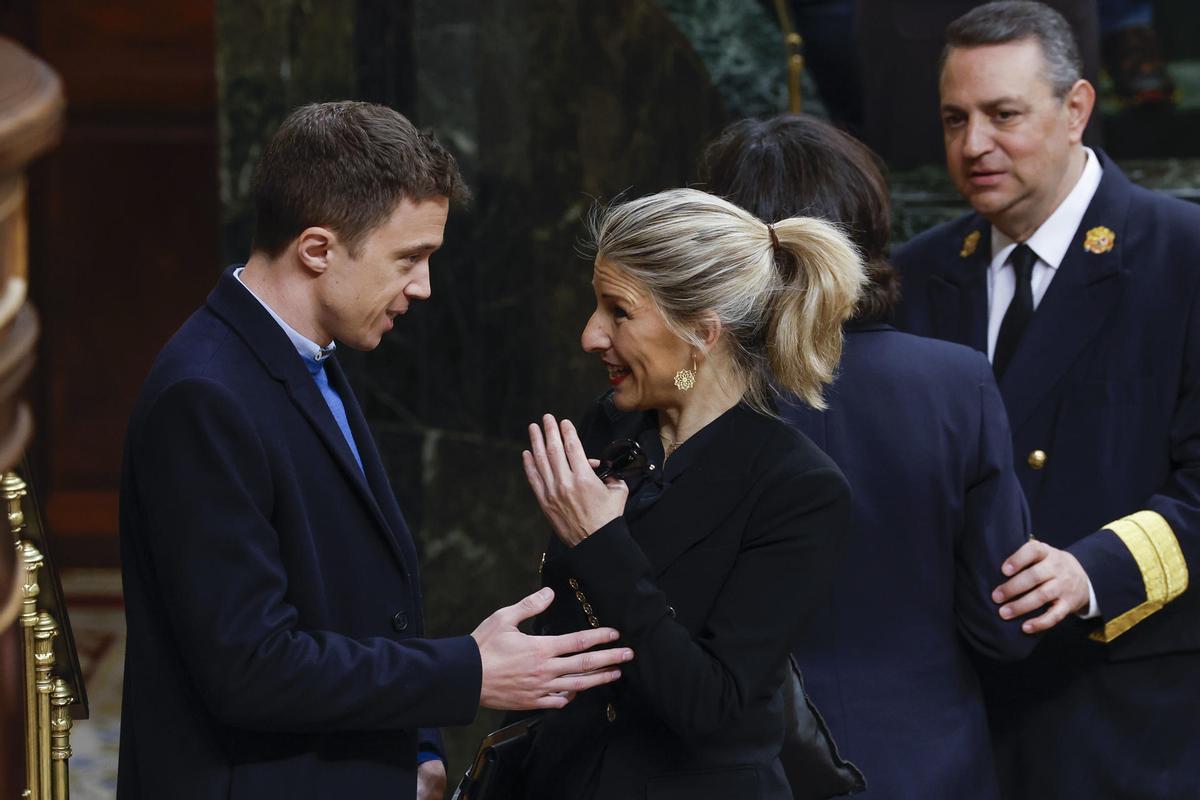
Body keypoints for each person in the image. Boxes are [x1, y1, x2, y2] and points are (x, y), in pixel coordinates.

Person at [117, 101, 633, 800]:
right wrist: (467, 674)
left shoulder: (311, 356)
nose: (422, 287)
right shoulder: (204, 396)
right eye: (409, 259)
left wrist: (415, 747)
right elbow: (248, 668)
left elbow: (368, 597)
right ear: (318, 249)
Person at [894, 3, 1200, 797]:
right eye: (954, 119)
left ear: (1077, 110)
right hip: (960, 719)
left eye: (1003, 115)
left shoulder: (1182, 255)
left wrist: (1089, 571)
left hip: (1128, 713)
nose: (973, 146)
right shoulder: (919, 273)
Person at [700, 112, 1035, 799]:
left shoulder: (683, 396)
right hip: (928, 765)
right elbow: (1003, 628)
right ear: (869, 229)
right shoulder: (957, 383)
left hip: (742, 767)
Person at [515, 187, 863, 799]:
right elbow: (557, 638)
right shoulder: (612, 426)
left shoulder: (797, 488)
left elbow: (710, 706)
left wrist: (601, 543)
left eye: (617, 311)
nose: (591, 335)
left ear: (701, 333)